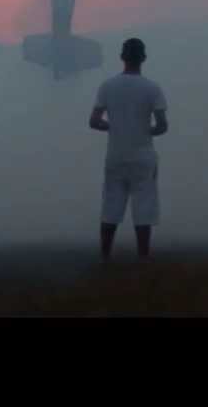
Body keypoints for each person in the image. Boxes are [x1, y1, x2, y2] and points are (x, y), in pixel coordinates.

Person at [89, 38, 168, 260]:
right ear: (143, 58)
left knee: (111, 207)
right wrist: (143, 130)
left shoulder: (107, 86)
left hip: (115, 156)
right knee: (144, 207)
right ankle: (143, 258)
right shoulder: (152, 88)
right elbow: (162, 126)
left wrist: (115, 127)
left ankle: (105, 257)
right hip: (143, 155)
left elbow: (94, 121)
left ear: (122, 57)